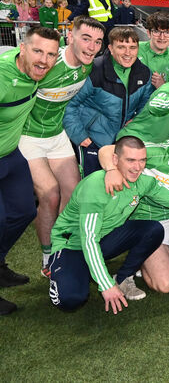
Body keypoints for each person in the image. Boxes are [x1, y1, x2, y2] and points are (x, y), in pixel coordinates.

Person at [47, 136, 169, 312]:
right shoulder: (96, 186)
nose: (137, 167)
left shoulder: (144, 182)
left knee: (153, 229)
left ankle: (122, 277)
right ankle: (67, 268)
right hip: (73, 244)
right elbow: (88, 240)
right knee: (71, 299)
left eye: (142, 160)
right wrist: (105, 286)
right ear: (115, 159)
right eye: (131, 160)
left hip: (105, 239)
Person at [18, 17, 104, 277]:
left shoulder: (86, 67)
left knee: (74, 192)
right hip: (28, 136)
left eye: (98, 42)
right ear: (71, 37)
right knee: (50, 195)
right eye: (86, 39)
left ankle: (62, 247)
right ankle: (47, 259)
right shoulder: (48, 63)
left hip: (56, 136)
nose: (91, 47)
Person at [0, 27, 61, 315]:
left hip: (11, 156)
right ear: (22, 48)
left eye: (50, 54)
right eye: (38, 51)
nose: (44, 60)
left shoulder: (39, 73)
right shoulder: (2, 76)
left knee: (24, 211)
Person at [63, 26, 153, 177]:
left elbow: (145, 106)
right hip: (92, 140)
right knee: (91, 185)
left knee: (115, 187)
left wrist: (135, 122)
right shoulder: (94, 69)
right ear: (110, 48)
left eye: (132, 47)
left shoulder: (144, 73)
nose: (127, 53)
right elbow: (70, 104)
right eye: (121, 47)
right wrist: (79, 135)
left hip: (121, 143)